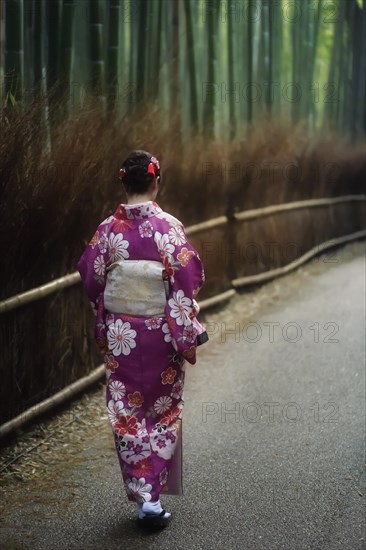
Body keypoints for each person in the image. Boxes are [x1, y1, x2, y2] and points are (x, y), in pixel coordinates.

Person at [77, 150, 208, 528]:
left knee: (125, 411)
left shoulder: (106, 232)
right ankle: (152, 498)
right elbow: (188, 278)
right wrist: (185, 327)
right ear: (156, 181)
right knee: (163, 410)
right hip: (162, 335)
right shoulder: (170, 228)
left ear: (123, 182)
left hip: (122, 337)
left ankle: (144, 496)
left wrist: (109, 315)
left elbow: (90, 280)